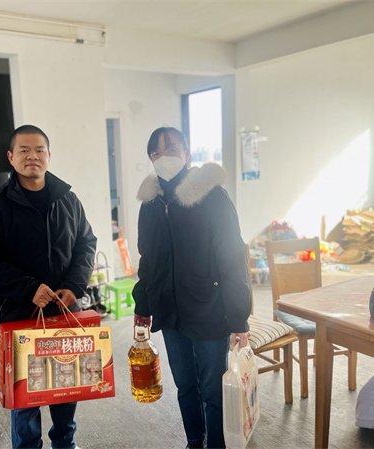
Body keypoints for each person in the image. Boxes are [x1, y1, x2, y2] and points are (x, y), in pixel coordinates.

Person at [0, 125, 96, 449]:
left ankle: (65, 444)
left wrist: (74, 285)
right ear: (11, 158)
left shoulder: (68, 199)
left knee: (66, 390)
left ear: (49, 156)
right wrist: (29, 288)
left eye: (39, 150)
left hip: (63, 315)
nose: (32, 156)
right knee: (25, 399)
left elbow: (86, 244)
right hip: (19, 317)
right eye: (24, 150)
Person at [133, 127, 251, 449]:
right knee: (185, 385)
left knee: (212, 389)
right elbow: (147, 259)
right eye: (156, 152)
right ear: (151, 159)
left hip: (207, 306)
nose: (165, 156)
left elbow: (232, 256)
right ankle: (194, 441)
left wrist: (238, 316)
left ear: (187, 153)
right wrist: (143, 305)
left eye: (172, 148)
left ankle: (217, 445)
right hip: (169, 309)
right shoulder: (151, 203)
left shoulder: (211, 195)